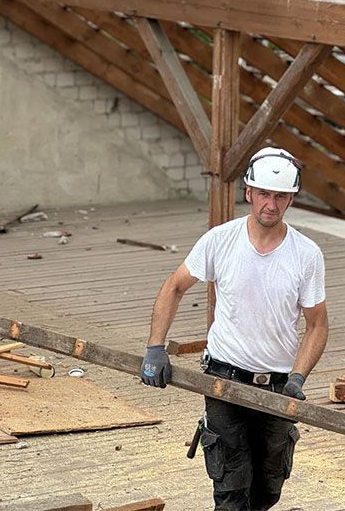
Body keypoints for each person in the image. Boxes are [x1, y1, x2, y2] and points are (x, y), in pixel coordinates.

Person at [140, 147, 329, 510]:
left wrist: (298, 377)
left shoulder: (306, 254)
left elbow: (317, 324)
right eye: (264, 194)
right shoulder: (220, 240)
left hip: (276, 385)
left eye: (280, 196)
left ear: (291, 199)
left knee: (267, 489)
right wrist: (155, 347)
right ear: (249, 192)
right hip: (223, 378)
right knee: (230, 489)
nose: (270, 205)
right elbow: (174, 286)